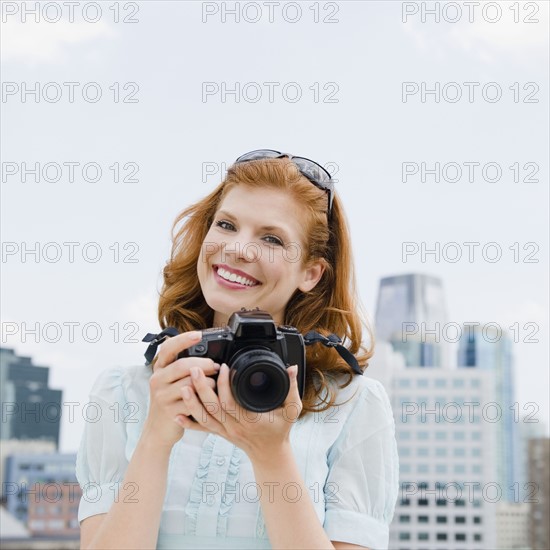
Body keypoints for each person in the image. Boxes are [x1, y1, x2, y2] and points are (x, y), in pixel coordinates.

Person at [76, 150, 399, 550]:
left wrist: (271, 454)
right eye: (226, 225)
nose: (238, 249)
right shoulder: (121, 392)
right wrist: (156, 437)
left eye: (271, 238)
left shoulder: (352, 404)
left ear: (311, 273)